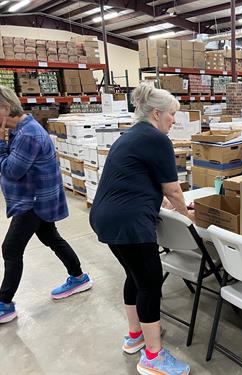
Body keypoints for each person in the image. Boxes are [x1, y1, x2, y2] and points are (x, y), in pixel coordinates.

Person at [90, 84, 193, 375]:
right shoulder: (157, 139)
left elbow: (140, 180)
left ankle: (136, 336)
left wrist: (172, 206)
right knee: (149, 282)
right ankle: (153, 356)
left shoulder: (131, 135)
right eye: (172, 114)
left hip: (105, 216)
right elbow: (172, 188)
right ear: (157, 113)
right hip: (128, 222)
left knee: (134, 276)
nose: (175, 120)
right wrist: (187, 218)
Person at [0, 86, 92, 324]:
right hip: (38, 197)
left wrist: (0, 145)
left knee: (10, 248)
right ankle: (79, 277)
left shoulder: (28, 135)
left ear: (5, 109)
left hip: (34, 201)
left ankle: (4, 303)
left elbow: (12, 170)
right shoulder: (22, 130)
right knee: (50, 237)